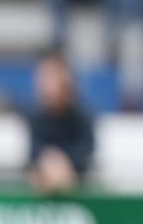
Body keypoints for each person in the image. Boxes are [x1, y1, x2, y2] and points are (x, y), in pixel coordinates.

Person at [27, 52, 95, 194]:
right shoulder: (34, 116)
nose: (44, 84)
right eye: (42, 78)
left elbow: (87, 149)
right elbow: (34, 150)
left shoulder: (82, 116)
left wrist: (64, 161)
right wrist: (49, 161)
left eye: (50, 77)